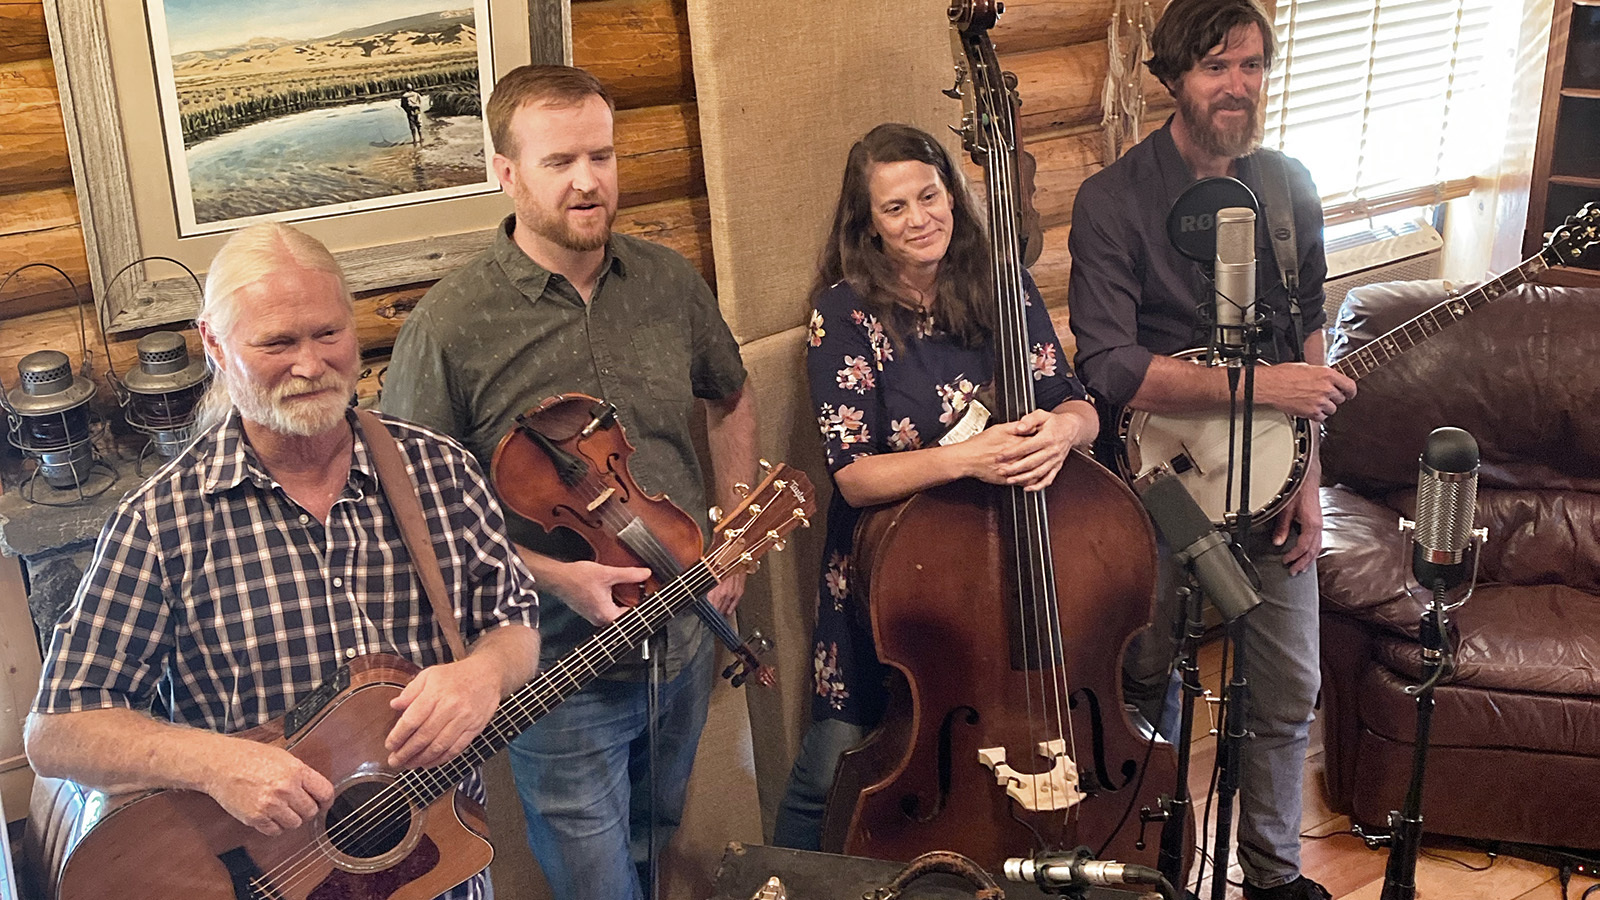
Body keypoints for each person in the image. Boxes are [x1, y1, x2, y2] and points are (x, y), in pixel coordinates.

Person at [23, 222, 542, 900]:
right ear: (215, 344)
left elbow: (516, 621)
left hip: (436, 867)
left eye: (328, 334)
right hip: (272, 878)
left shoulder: (439, 470)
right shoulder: (163, 522)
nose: (310, 364)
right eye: (277, 342)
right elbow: (57, 731)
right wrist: (214, 763)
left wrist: (483, 673)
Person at [381, 64, 758, 900]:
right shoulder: (449, 326)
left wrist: (733, 540)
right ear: (505, 172)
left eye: (603, 155)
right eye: (559, 162)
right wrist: (555, 576)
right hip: (558, 668)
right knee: (597, 887)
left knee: (659, 851)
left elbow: (731, 394)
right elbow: (414, 512)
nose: (589, 182)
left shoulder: (667, 281)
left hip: (686, 637)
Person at [1066, 1, 1357, 897]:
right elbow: (1111, 366)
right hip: (1158, 493)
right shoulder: (1112, 200)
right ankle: (1147, 869)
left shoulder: (1288, 185)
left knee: (1285, 689)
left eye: (1253, 65)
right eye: (1215, 66)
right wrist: (1262, 388)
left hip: (1275, 485)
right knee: (1145, 679)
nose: (1238, 85)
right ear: (1172, 77)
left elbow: (1305, 329)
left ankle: (1272, 875)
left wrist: (1309, 476)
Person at [770, 122, 1099, 850]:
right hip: (892, 579)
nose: (920, 218)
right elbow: (854, 476)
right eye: (896, 208)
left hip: (1005, 563)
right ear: (869, 225)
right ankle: (785, 882)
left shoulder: (1001, 284)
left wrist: (1065, 431)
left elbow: (1074, 399)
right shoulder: (843, 314)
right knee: (833, 760)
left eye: (930, 195)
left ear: (953, 194)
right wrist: (969, 458)